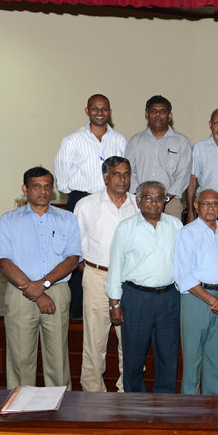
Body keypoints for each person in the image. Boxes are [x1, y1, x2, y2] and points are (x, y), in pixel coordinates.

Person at [0, 167, 81, 389]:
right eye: (36, 186)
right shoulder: (8, 220)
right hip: (20, 293)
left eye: (48, 186)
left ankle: (60, 411)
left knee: (58, 360)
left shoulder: (67, 219)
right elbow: (5, 261)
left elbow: (72, 259)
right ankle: (20, 411)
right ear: (25, 189)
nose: (43, 191)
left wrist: (44, 285)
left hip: (58, 293)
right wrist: (35, 291)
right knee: (21, 359)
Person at [105, 180, 183, 393]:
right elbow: (115, 267)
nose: (154, 203)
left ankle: (165, 402)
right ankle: (133, 404)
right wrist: (114, 303)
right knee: (134, 356)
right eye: (148, 197)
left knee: (168, 355)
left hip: (169, 298)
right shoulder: (126, 228)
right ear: (138, 200)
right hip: (136, 298)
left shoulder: (176, 225)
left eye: (159, 198)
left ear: (165, 201)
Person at [53, 94, 126, 320]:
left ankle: (115, 298)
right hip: (82, 199)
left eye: (104, 108)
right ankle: (77, 305)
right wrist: (81, 195)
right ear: (87, 111)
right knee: (78, 251)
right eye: (95, 108)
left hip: (112, 199)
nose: (99, 112)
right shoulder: (72, 140)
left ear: (110, 112)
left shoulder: (120, 140)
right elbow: (62, 178)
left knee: (109, 248)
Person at [74, 156, 138, 392]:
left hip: (131, 282)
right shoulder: (87, 205)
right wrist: (92, 272)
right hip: (97, 278)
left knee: (131, 342)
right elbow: (76, 246)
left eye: (126, 174)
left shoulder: (138, 204)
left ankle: (127, 393)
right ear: (105, 177)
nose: (122, 179)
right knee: (94, 342)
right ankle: (93, 398)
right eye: (116, 174)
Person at [174, 188, 218, 395]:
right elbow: (184, 274)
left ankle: (212, 405)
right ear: (196, 206)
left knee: (215, 356)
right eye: (205, 203)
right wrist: (213, 300)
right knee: (193, 357)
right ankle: (189, 409)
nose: (210, 208)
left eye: (215, 204)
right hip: (197, 300)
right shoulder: (187, 233)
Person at [125, 95, 192, 220]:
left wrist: (164, 198)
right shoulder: (135, 141)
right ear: (146, 115)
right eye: (153, 111)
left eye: (162, 111)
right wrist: (140, 197)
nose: (158, 115)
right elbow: (129, 172)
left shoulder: (182, 142)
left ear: (169, 116)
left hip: (170, 203)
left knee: (171, 239)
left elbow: (183, 175)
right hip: (140, 203)